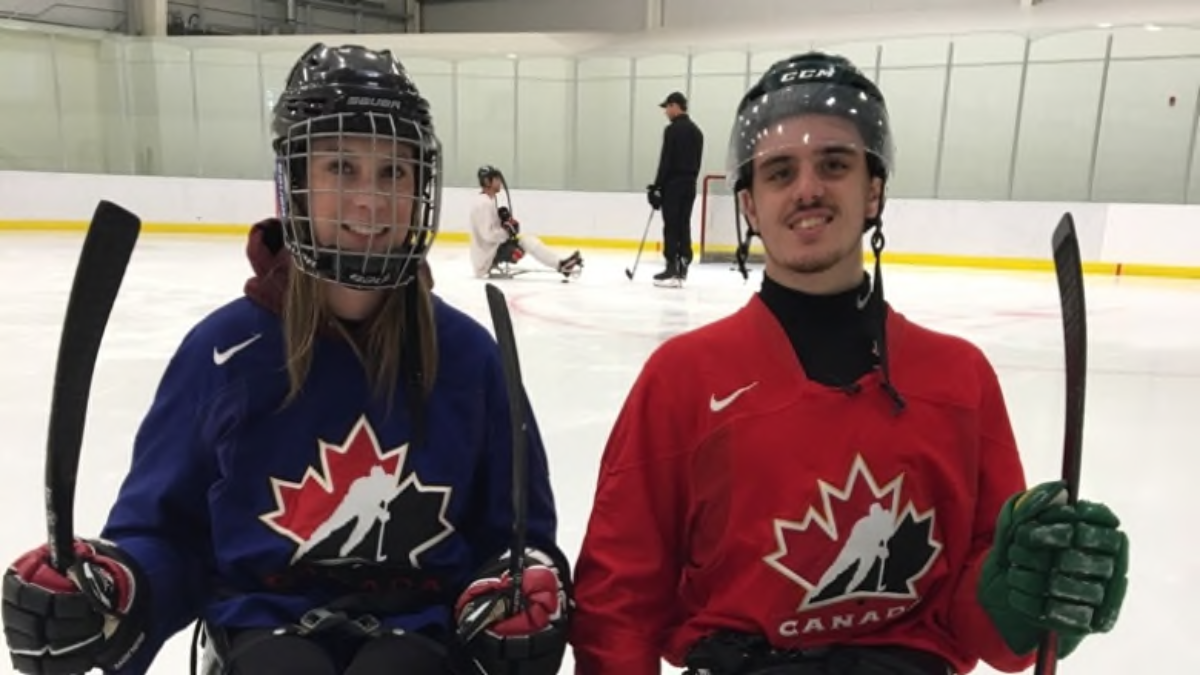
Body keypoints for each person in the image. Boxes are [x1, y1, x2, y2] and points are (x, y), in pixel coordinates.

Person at [1, 43, 571, 675]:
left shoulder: (468, 357)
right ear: (293, 182)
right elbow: (165, 533)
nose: (370, 200)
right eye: (341, 167)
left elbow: (518, 538)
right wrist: (117, 589)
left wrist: (518, 592)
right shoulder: (223, 354)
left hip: (424, 632)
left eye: (393, 172)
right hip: (260, 631)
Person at [570, 52, 1129, 675]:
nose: (808, 189)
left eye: (834, 165)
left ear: (874, 190)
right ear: (749, 205)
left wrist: (1023, 600)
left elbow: (990, 630)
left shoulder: (960, 378)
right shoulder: (682, 379)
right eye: (780, 172)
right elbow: (617, 607)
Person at [469, 164, 583, 280]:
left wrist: (502, 221)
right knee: (523, 245)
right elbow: (488, 235)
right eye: (496, 179)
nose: (500, 182)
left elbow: (490, 230)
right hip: (486, 256)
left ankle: (561, 264)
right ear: (487, 181)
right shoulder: (483, 204)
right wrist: (507, 231)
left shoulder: (488, 201)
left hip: (491, 251)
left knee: (528, 241)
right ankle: (561, 265)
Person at [646, 91, 703, 287]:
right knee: (683, 223)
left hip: (673, 184)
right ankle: (683, 265)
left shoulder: (672, 130)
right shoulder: (697, 132)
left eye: (667, 107)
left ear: (675, 106)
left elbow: (666, 161)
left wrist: (656, 187)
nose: (666, 112)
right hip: (690, 184)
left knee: (671, 225)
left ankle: (671, 267)